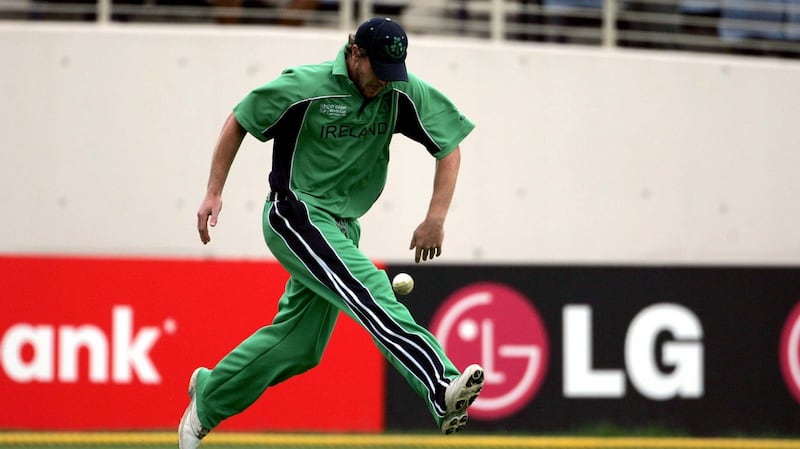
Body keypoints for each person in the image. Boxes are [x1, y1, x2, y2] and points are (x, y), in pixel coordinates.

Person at [179, 17, 484, 449]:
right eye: (377, 69)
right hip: (295, 213)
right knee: (371, 288)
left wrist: (435, 217)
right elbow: (241, 118)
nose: (384, 82)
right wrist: (214, 192)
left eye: (391, 73)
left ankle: (208, 398)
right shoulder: (305, 85)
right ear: (354, 53)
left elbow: (448, 144)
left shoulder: (399, 89)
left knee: (299, 346)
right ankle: (440, 384)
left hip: (343, 227)